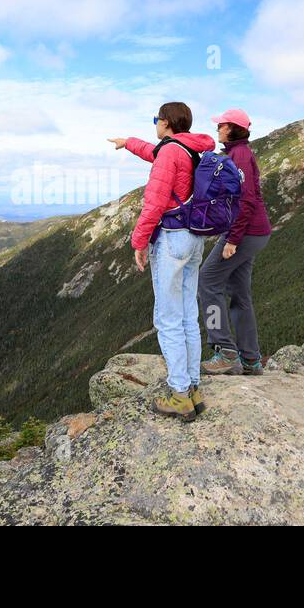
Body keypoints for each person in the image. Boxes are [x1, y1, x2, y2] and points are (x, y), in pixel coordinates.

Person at [108, 102, 216, 421]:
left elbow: (154, 202)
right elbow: (154, 152)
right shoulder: (190, 149)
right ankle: (192, 387)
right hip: (195, 237)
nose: (155, 125)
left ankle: (179, 394)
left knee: (168, 318)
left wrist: (139, 242)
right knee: (186, 315)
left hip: (172, 238)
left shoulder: (170, 153)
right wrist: (128, 142)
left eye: (156, 120)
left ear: (166, 122)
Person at [199, 108, 273, 375]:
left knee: (207, 281)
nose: (217, 128)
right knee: (240, 294)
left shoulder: (239, 155)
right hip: (255, 233)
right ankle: (251, 360)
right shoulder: (236, 153)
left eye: (221, 125)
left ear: (231, 128)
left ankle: (225, 351)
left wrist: (232, 239)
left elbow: (246, 201)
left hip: (245, 233)